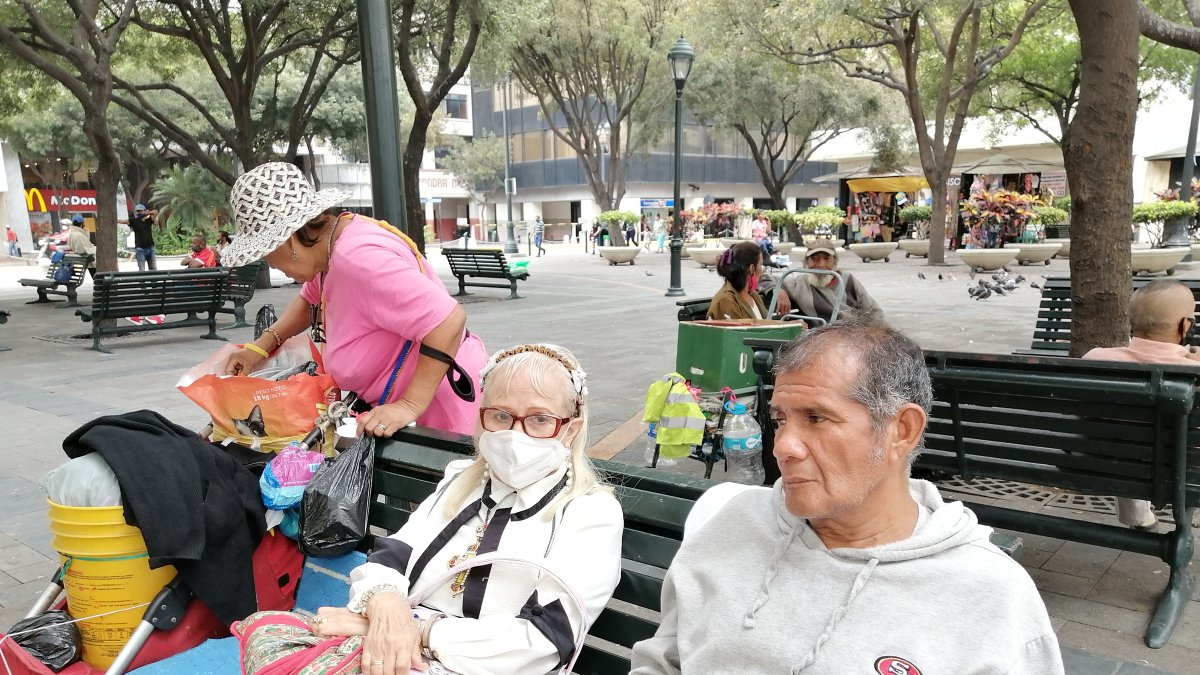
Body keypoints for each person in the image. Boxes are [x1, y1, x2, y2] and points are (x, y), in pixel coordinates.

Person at [631, 319, 1064, 674]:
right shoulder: (733, 524)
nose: (783, 446)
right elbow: (662, 661)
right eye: (780, 419)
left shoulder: (989, 596)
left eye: (816, 418)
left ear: (902, 430)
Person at [260, 344, 623, 675]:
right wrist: (385, 605)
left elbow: (541, 643)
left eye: (540, 419)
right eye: (500, 416)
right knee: (268, 637)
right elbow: (391, 557)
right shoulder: (462, 479)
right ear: (480, 418)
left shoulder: (590, 514)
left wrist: (411, 629)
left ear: (571, 429)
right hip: (402, 655)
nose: (517, 433)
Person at [219, 162, 487, 437]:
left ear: (286, 240)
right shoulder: (330, 247)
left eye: (266, 253)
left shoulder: (357, 260)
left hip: (440, 410)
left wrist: (409, 404)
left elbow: (447, 320)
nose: (272, 265)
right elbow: (311, 298)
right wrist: (261, 347)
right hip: (409, 407)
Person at [1083, 280, 1200, 531]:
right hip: (1181, 467)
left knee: (1125, 439)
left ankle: (1138, 515)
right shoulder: (1194, 371)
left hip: (1108, 462)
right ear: (1185, 325)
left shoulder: (1094, 360)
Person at [773, 239, 882, 323]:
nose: (821, 265)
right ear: (806, 262)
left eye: (826, 259)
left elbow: (874, 311)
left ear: (835, 261)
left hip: (855, 335)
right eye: (814, 258)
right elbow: (765, 278)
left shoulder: (848, 280)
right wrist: (779, 291)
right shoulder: (799, 284)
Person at [706, 242, 768, 321]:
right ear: (752, 268)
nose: (762, 271)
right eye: (761, 265)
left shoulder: (752, 294)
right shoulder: (726, 301)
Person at [119, 203, 159, 271]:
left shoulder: (148, 221)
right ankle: (142, 282)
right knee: (141, 269)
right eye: (138, 211)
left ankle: (153, 281)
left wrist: (147, 213)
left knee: (153, 269)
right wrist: (114, 220)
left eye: (141, 211)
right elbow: (123, 221)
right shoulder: (134, 221)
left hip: (150, 248)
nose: (139, 212)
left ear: (144, 210)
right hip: (140, 250)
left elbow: (156, 212)